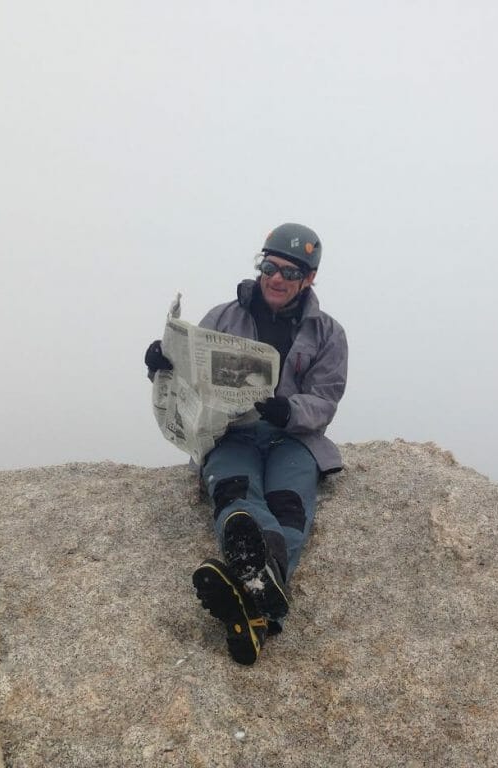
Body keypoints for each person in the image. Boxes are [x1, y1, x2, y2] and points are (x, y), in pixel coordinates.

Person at [144, 223, 348, 665]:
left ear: (310, 278)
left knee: (288, 504)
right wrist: (162, 364)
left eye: (290, 272)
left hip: (293, 439)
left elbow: (326, 397)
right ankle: (262, 592)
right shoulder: (221, 317)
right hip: (233, 432)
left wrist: (290, 410)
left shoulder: (329, 333)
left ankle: (251, 586)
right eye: (269, 266)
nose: (276, 278)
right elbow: (190, 376)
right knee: (235, 493)